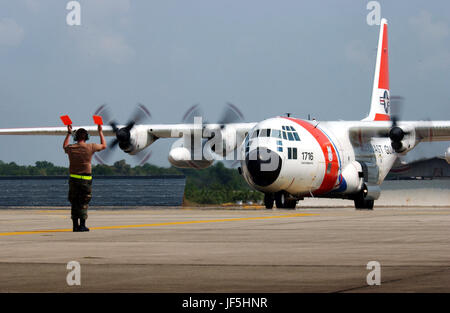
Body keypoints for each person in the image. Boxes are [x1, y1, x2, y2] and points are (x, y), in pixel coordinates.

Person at [63, 124, 106, 232]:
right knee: (83, 202)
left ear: (76, 137)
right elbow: (103, 145)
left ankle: (75, 225)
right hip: (85, 179)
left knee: (74, 202)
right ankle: (82, 225)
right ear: (86, 137)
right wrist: (100, 131)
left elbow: (64, 146)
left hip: (73, 179)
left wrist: (68, 133)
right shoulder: (90, 147)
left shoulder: (71, 148)